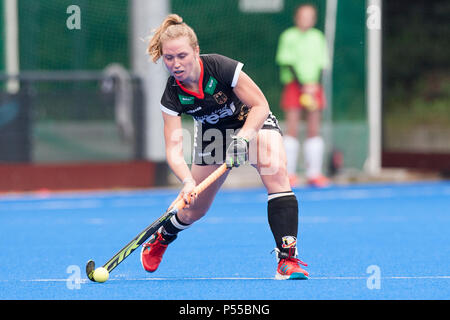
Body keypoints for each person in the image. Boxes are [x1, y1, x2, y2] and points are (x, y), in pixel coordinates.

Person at [140, 14, 308, 280]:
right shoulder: (171, 95)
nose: (176, 64)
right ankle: (164, 236)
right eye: (169, 58)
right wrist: (186, 182)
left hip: (251, 123)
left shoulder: (220, 67)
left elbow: (260, 105)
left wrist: (242, 138)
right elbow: (173, 148)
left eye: (182, 56)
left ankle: (288, 260)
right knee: (194, 209)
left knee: (276, 172)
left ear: (196, 51)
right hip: (212, 136)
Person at [275, 4, 330, 187]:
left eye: (310, 16)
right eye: (303, 16)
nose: (306, 19)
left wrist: (314, 86)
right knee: (292, 129)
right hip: (294, 86)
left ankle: (314, 173)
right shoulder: (288, 36)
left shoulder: (318, 37)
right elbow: (287, 63)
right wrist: (303, 86)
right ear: (296, 18)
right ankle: (288, 173)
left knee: (314, 128)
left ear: (314, 19)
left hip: (314, 87)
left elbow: (323, 65)